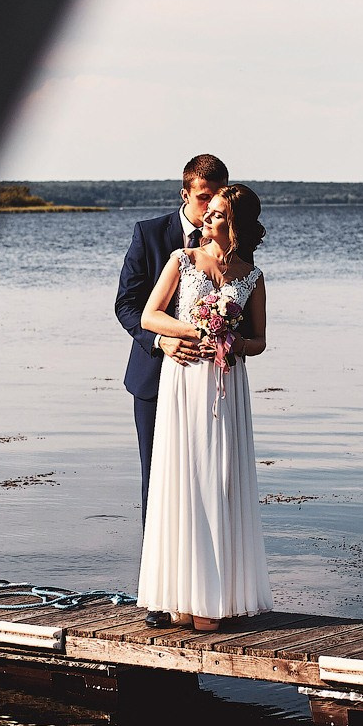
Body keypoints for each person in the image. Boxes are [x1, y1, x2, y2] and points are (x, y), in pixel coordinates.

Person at [136, 183, 272, 631]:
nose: (206, 219)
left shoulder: (252, 274)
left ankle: (216, 597)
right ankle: (178, 596)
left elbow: (260, 341)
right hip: (186, 380)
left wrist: (232, 340)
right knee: (184, 478)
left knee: (220, 478)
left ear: (234, 223)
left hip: (226, 384)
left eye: (216, 214)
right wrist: (195, 330)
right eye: (206, 211)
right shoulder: (182, 259)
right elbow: (149, 315)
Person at [116, 153, 228, 534]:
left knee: (205, 473)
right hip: (152, 375)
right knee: (157, 472)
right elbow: (126, 305)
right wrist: (160, 339)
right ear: (185, 193)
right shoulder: (148, 233)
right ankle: (154, 577)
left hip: (205, 378)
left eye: (217, 197)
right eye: (203, 197)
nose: (210, 206)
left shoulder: (230, 245)